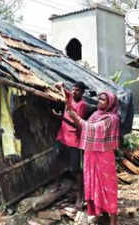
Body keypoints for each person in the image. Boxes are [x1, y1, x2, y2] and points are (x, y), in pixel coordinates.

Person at [66, 91, 120, 225]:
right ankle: (99, 213)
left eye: (103, 100)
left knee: (108, 187)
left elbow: (93, 129)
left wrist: (75, 116)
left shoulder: (112, 118)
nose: (99, 101)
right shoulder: (96, 115)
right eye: (99, 99)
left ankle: (113, 220)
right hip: (91, 155)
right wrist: (71, 114)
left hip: (104, 157)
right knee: (94, 185)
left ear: (110, 103)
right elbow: (84, 127)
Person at [53, 81, 88, 209]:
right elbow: (58, 86)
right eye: (73, 89)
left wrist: (60, 118)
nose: (74, 92)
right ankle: (56, 186)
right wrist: (61, 85)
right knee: (56, 160)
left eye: (77, 90)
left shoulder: (83, 105)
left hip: (74, 139)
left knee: (75, 169)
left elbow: (77, 124)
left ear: (82, 92)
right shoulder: (69, 96)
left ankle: (80, 195)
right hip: (62, 136)